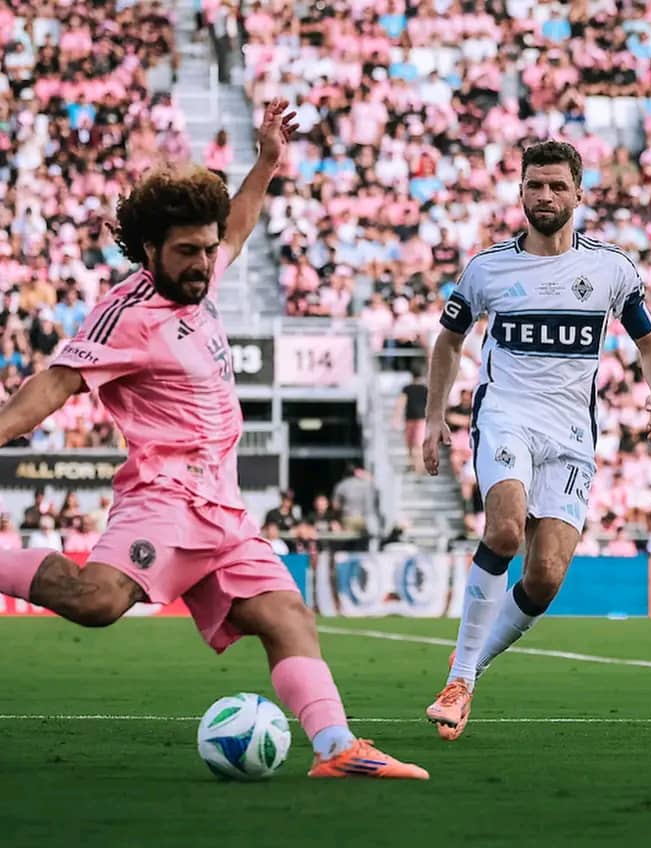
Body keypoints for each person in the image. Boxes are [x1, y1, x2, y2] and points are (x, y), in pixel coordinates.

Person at [0, 98, 427, 781]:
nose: (204, 262)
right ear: (150, 251)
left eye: (206, 247)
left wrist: (264, 163)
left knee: (288, 612)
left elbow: (242, 221)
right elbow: (53, 385)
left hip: (222, 509)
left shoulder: (202, 271)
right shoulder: (127, 312)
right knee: (98, 601)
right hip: (163, 499)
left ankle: (337, 750)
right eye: (187, 252)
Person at [423, 141, 651, 740]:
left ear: (579, 194)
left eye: (558, 187)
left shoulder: (611, 269)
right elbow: (449, 342)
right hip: (506, 416)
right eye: (535, 185)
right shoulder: (487, 269)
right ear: (521, 193)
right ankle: (459, 678)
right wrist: (434, 416)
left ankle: (466, 672)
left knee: (545, 576)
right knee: (505, 530)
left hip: (570, 437)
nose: (546, 196)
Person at [393, 364, 428, 474]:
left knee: (411, 444)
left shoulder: (407, 388)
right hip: (421, 419)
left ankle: (415, 467)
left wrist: (396, 417)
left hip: (410, 419)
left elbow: (401, 403)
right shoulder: (425, 389)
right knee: (417, 445)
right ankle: (417, 467)